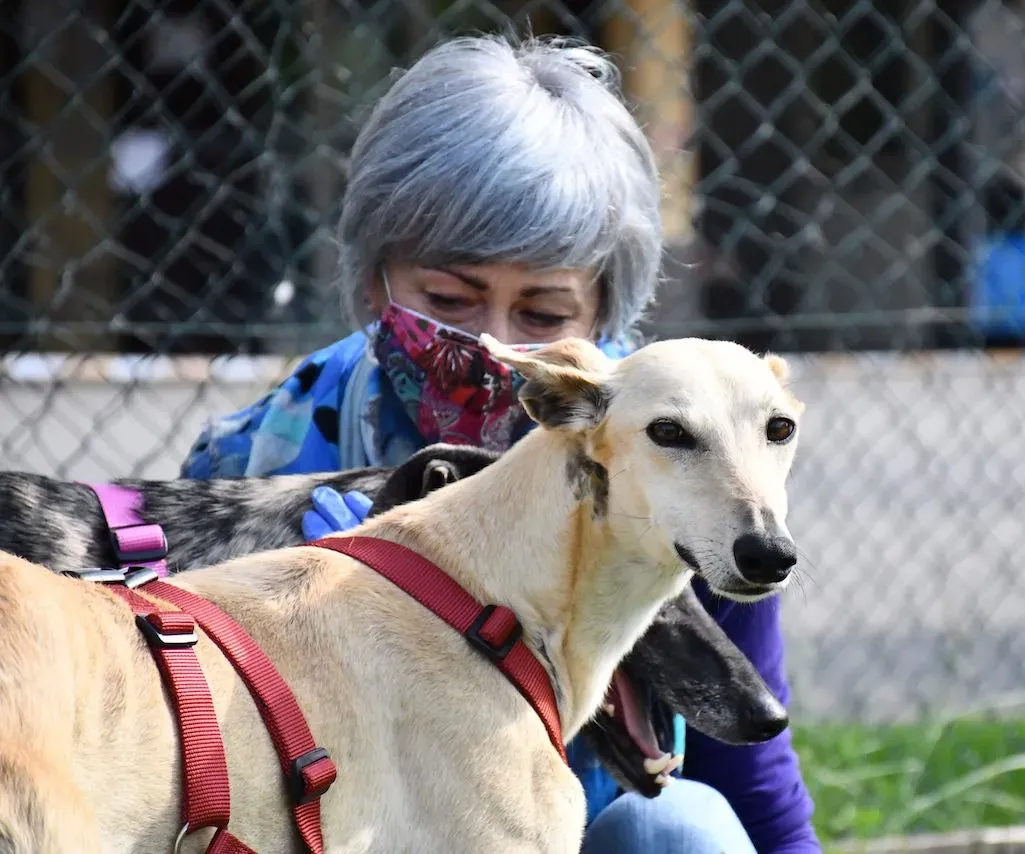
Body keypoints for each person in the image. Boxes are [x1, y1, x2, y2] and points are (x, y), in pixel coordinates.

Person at [180, 34, 820, 854]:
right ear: (375, 277)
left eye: (543, 314)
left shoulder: (672, 451)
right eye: (450, 298)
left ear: (605, 310)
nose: (495, 345)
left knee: (675, 829)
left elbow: (748, 773)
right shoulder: (254, 463)